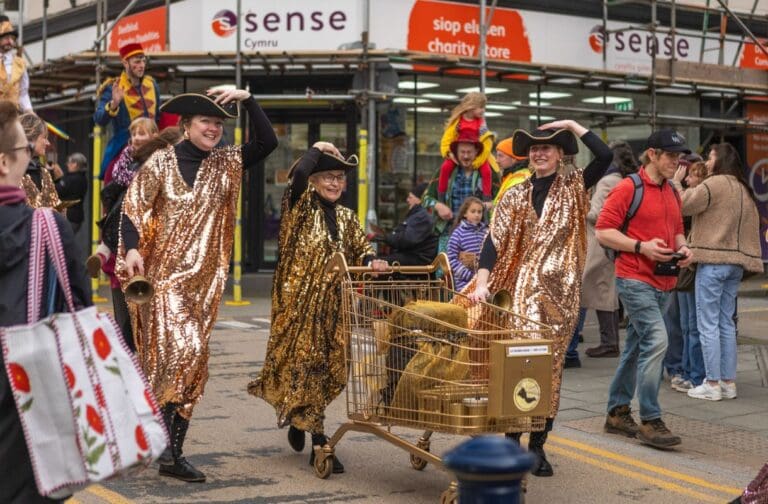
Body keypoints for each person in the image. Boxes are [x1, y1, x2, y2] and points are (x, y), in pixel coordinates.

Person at [118, 88, 278, 482]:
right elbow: (132, 208)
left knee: (191, 369)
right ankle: (153, 437)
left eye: (219, 123)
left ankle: (170, 452)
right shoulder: (160, 163)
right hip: (165, 282)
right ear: (186, 126)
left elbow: (267, 142)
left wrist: (249, 98)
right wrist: (134, 249)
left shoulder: (226, 163)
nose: (213, 128)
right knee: (185, 353)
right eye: (205, 121)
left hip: (204, 289)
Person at [466, 119, 612, 477]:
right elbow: (494, 241)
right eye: (534, 149)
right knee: (519, 364)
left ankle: (538, 446)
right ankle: (513, 440)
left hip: (561, 298)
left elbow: (605, 155)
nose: (539, 153)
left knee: (550, 372)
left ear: (560, 154)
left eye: (547, 147)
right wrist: (482, 280)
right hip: (523, 294)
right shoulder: (515, 193)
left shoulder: (574, 185)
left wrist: (571, 125)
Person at [248, 141, 388, 474]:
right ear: (313, 180)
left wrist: (374, 262)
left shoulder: (347, 217)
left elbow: (360, 251)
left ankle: (300, 421)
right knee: (307, 367)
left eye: (339, 177)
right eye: (326, 176)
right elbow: (295, 177)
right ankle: (320, 443)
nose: (334, 183)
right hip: (298, 309)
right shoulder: (298, 206)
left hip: (336, 311)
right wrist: (315, 149)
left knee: (334, 372)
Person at [0, 99, 91, 503]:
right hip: (28, 409)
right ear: (5, 163)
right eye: (25, 152)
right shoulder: (49, 227)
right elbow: (80, 316)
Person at [596, 129, 693, 449]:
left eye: (679, 156)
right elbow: (603, 232)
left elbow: (677, 230)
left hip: (664, 282)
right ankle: (651, 419)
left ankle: (617, 411)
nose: (677, 162)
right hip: (634, 278)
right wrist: (641, 247)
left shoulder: (672, 191)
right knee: (657, 339)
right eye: (671, 156)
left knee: (637, 347)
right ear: (652, 154)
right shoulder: (628, 188)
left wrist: (684, 248)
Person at [672, 143, 763, 401]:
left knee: (707, 323)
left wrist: (678, 185)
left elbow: (684, 205)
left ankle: (711, 384)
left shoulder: (715, 184)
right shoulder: (743, 188)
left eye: (710, 157)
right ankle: (728, 382)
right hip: (735, 265)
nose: (707, 161)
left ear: (719, 159)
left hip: (712, 262)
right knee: (725, 324)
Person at [577, 141, 640, 360]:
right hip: (618, 241)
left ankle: (608, 342)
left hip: (599, 241)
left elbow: (597, 214)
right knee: (607, 290)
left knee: (596, 290)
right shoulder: (628, 180)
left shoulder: (606, 182)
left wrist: (580, 207)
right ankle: (610, 341)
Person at [87, 117, 160, 277]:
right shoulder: (127, 155)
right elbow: (116, 175)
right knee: (114, 227)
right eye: (134, 134)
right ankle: (100, 257)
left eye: (141, 133)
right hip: (123, 204)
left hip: (143, 209)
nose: (136, 138)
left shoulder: (157, 157)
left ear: (154, 136)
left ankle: (103, 256)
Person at [423, 130, 499, 253]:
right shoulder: (444, 172)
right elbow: (425, 199)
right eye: (462, 152)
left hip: (479, 235)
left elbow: (503, 198)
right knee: (445, 270)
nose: (466, 156)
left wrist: (491, 204)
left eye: (469, 152)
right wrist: (438, 205)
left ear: (476, 152)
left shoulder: (488, 174)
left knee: (476, 269)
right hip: (448, 233)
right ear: (456, 153)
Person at [668, 159, 707, 393]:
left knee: (691, 325)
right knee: (684, 324)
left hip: (691, 268)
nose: (688, 180)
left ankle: (694, 374)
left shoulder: (698, 198)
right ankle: (685, 369)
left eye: (692, 176)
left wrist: (675, 185)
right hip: (684, 270)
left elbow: (681, 207)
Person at [93, 42, 160, 178]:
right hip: (125, 148)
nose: (141, 65)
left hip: (153, 149)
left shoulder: (152, 84)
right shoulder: (113, 86)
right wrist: (114, 104)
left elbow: (158, 117)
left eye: (143, 61)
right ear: (125, 63)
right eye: (137, 61)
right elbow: (99, 119)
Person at [438, 92, 498, 202]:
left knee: (487, 171)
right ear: (471, 106)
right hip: (458, 154)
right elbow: (446, 139)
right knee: (445, 168)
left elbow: (486, 143)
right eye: (480, 107)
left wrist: (478, 161)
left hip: (477, 154)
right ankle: (441, 195)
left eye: (483, 107)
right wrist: (449, 153)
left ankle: (486, 198)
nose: (483, 110)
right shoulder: (457, 122)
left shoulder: (481, 123)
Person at [374, 181, 437, 267]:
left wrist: (386, 238)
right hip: (412, 255)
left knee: (377, 263)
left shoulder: (422, 216)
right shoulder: (417, 214)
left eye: (410, 197)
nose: (407, 200)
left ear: (420, 200)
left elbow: (407, 239)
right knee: (379, 261)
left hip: (417, 258)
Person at [19, 112, 62, 210]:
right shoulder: (9, 171)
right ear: (31, 137)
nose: (48, 143)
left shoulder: (42, 171)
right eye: (44, 137)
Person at [447, 196, 488, 291]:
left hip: (484, 281)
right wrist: (469, 276)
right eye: (473, 211)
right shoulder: (458, 233)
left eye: (479, 212)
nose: (477, 215)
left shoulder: (486, 232)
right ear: (465, 213)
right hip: (464, 283)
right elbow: (452, 259)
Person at [0, 16, 32, 112]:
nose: (10, 41)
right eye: (6, 37)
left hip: (11, 117)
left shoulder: (20, 64)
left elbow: (23, 93)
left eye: (12, 38)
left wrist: (30, 112)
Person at [54, 153, 89, 234]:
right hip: (75, 218)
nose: (67, 165)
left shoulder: (73, 179)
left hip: (69, 217)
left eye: (69, 163)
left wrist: (57, 178)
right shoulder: (82, 178)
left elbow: (57, 191)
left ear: (75, 164)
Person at [492, 136, 530, 207]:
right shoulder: (514, 176)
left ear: (514, 158)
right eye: (497, 156)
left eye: (501, 156)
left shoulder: (519, 180)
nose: (497, 160)